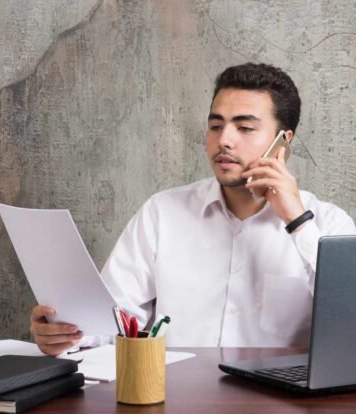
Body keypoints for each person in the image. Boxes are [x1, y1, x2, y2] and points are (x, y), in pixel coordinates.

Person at [31, 63, 355, 355]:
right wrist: (66, 334)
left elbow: (349, 318)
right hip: (174, 396)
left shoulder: (327, 225)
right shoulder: (163, 213)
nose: (224, 140)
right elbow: (111, 316)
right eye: (216, 125)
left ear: (283, 141)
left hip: (278, 401)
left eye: (244, 127)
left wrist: (297, 222)